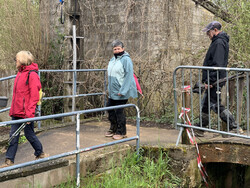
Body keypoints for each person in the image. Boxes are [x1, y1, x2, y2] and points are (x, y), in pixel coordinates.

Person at [195, 21, 242, 137]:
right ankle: (200, 128)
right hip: (213, 79)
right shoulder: (216, 42)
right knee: (206, 104)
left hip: (215, 80)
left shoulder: (219, 43)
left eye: (208, 32)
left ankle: (234, 126)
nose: (207, 35)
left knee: (215, 105)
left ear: (215, 30)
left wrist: (211, 81)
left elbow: (217, 63)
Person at [1, 51, 46, 167]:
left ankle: (40, 152)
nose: (15, 61)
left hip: (26, 113)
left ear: (22, 60)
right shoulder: (20, 73)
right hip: (17, 111)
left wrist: (30, 114)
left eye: (16, 59)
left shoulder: (32, 75)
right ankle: (9, 160)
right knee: (13, 135)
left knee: (29, 134)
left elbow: (34, 96)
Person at [105, 40, 138, 140]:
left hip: (121, 91)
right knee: (109, 108)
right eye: (115, 49)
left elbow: (128, 76)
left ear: (123, 49)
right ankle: (113, 128)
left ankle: (121, 132)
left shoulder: (126, 60)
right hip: (113, 91)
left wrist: (123, 91)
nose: (117, 50)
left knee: (119, 111)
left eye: (118, 48)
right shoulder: (112, 60)